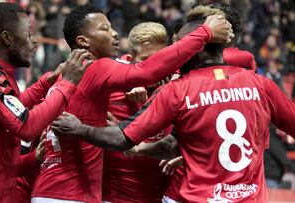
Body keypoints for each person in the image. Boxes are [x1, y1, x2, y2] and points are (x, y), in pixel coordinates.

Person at [52, 5, 295, 203]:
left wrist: (79, 129)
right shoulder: (260, 85)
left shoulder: (177, 89)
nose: (174, 53)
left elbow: (120, 137)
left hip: (190, 197)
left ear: (195, 47)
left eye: (179, 44)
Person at [31, 3, 233, 203]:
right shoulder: (100, 69)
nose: (115, 33)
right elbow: (147, 71)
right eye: (105, 28)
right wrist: (204, 33)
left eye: (111, 26)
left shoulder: (70, 74)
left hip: (59, 189)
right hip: (74, 193)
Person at [0, 2, 91, 202]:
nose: (34, 41)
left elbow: (17, 106)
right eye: (29, 34)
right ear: (7, 38)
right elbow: (26, 125)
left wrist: (47, 81)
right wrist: (67, 84)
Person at [103, 22, 172, 203]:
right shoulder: (111, 84)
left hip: (161, 195)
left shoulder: (176, 83)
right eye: (146, 60)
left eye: (159, 59)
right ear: (130, 57)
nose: (154, 67)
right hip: (115, 196)